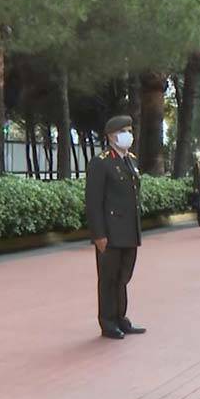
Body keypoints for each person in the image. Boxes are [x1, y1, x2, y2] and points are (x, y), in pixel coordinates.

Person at [84, 115, 146, 340]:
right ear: (111, 136)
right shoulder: (101, 162)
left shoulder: (130, 159)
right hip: (110, 232)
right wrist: (98, 234)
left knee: (123, 277)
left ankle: (121, 317)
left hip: (129, 230)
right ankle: (107, 321)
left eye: (130, 130)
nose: (128, 134)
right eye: (124, 130)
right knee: (108, 278)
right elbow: (93, 202)